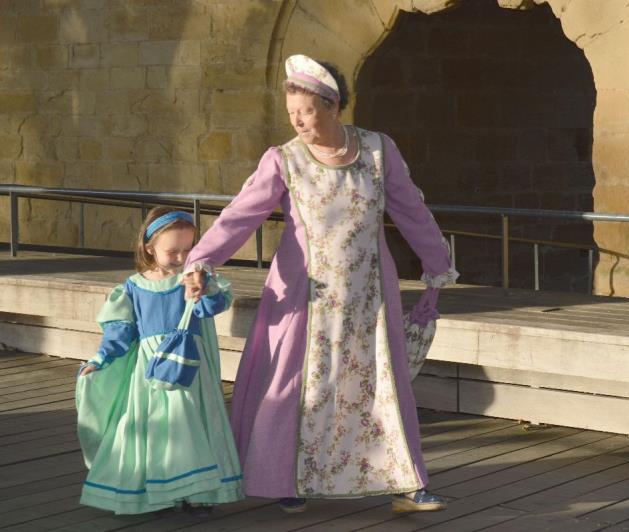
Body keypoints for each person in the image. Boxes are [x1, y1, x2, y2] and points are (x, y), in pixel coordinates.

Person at [182, 54, 458, 514]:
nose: (298, 122)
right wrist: (201, 260)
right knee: (297, 387)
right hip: (305, 297)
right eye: (292, 113)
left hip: (369, 294)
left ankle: (406, 481)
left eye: (306, 112)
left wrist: (438, 264)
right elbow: (240, 215)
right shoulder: (284, 160)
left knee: (379, 385)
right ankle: (287, 478)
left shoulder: (378, 150)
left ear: (332, 105)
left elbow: (411, 209)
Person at [75, 206, 244, 515]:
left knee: (190, 423)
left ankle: (198, 492)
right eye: (172, 251)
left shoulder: (193, 280)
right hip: (151, 370)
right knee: (155, 427)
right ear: (150, 248)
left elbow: (212, 307)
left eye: (188, 249)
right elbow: (121, 331)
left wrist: (203, 288)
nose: (181, 257)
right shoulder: (133, 287)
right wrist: (100, 359)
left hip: (190, 368)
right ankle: (160, 490)